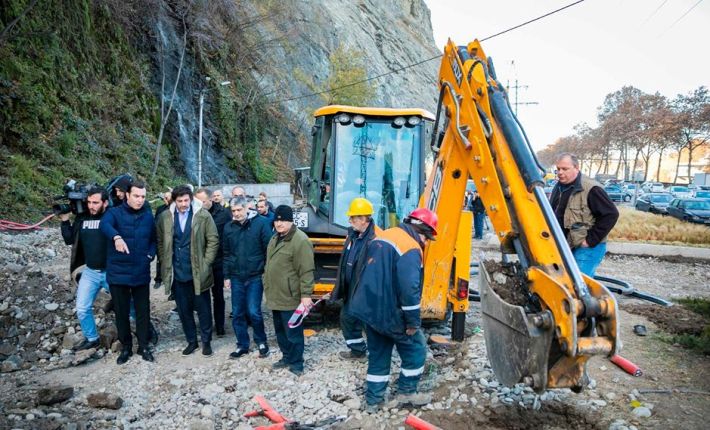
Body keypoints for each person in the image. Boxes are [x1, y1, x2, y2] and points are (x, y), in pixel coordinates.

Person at [349, 208, 437, 412]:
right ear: (422, 231)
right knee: (416, 349)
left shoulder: (384, 235)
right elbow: (409, 289)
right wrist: (413, 322)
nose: (425, 242)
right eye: (427, 238)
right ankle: (407, 392)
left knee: (379, 353)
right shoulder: (411, 247)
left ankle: (374, 400)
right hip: (390, 311)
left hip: (369, 308)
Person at [156, 185, 219, 357]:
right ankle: (192, 341)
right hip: (177, 272)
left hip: (199, 271)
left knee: (204, 309)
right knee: (184, 310)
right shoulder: (165, 217)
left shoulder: (202, 215)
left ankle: (206, 342)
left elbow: (213, 240)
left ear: (191, 199)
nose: (184, 204)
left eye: (186, 200)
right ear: (173, 201)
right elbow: (161, 242)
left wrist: (206, 263)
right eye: (180, 201)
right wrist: (165, 260)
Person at [100, 180, 157, 364]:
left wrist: (150, 254)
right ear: (127, 195)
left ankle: (143, 345)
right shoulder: (113, 213)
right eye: (136, 196)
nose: (140, 200)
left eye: (143, 197)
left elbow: (154, 239)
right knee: (122, 313)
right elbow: (104, 225)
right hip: (118, 272)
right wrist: (116, 237)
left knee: (143, 312)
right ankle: (126, 348)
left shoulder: (148, 216)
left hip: (140, 271)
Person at [263, 205, 315, 376]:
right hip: (276, 294)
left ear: (291, 221)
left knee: (293, 332)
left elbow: (306, 270)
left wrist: (306, 295)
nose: (279, 224)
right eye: (277, 220)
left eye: (283, 220)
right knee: (280, 331)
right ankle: (286, 357)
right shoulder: (275, 238)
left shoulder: (301, 240)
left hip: (291, 296)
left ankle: (297, 363)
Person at [549, 153, 619, 277]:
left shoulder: (591, 188)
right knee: (564, 281)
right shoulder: (558, 187)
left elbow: (611, 214)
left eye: (565, 169)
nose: (560, 172)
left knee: (580, 284)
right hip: (565, 245)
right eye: (558, 169)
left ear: (576, 168)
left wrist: (589, 241)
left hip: (586, 247)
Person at [60, 186, 110, 351]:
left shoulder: (112, 216)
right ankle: (92, 338)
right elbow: (69, 240)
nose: (91, 206)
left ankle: (141, 330)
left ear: (105, 202)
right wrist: (65, 219)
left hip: (112, 271)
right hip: (90, 272)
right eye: (88, 202)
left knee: (129, 303)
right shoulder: (82, 219)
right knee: (82, 308)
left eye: (95, 202)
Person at [331, 198, 381, 361]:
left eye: (352, 218)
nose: (350, 221)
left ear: (363, 219)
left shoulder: (376, 238)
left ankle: (378, 354)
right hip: (351, 288)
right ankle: (358, 351)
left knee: (371, 324)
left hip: (366, 291)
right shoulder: (352, 235)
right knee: (347, 318)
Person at [223, 196, 273, 359]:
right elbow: (226, 253)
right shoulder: (228, 228)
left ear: (246, 208)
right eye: (233, 211)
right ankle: (242, 345)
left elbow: (268, 249)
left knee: (254, 311)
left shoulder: (261, 224)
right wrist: (226, 275)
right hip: (236, 276)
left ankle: (261, 341)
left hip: (255, 275)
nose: (236, 214)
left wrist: (266, 271)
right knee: (237, 312)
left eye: (239, 210)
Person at [194, 188, 231, 336]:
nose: (200, 204)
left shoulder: (223, 214)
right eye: (197, 202)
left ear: (210, 200)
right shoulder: (195, 214)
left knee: (218, 295)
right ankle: (206, 326)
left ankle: (220, 325)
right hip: (200, 262)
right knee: (202, 296)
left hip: (218, 261)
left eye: (203, 201)